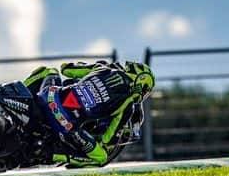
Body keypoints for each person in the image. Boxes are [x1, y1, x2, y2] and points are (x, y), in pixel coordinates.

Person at [23, 60, 154, 168]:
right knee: (101, 157)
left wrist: (85, 70)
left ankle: (20, 93)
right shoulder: (128, 105)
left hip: (50, 95)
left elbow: (66, 69)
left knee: (49, 71)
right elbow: (108, 139)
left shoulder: (103, 69)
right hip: (65, 122)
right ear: (141, 82)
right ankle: (50, 154)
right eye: (146, 90)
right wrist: (106, 145)